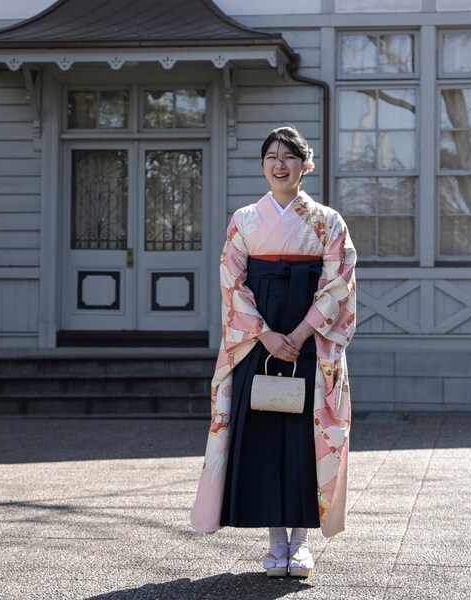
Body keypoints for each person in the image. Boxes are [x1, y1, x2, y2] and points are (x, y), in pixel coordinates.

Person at [190, 126, 357, 578]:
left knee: (305, 440)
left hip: (309, 344)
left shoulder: (328, 221)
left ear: (307, 164)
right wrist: (264, 335)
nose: (279, 164)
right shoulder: (245, 219)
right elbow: (232, 282)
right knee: (263, 441)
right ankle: (274, 542)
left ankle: (301, 543)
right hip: (258, 345)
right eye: (270, 156)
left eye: (289, 156)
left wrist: (300, 335)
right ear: (263, 164)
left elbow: (338, 285)